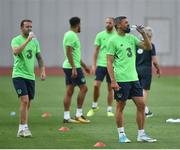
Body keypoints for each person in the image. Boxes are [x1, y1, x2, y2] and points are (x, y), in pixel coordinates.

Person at [107, 16, 157, 143]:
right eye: (126, 23)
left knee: (141, 105)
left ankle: (141, 134)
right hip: (121, 79)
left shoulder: (131, 38)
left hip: (134, 78)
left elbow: (148, 47)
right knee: (121, 106)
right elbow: (109, 62)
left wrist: (143, 33)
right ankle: (122, 135)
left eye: (128, 23)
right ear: (118, 25)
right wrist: (113, 80)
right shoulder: (112, 41)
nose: (128, 25)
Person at [11, 19, 46, 137]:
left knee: (28, 103)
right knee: (24, 100)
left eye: (31, 26)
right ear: (21, 28)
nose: (29, 28)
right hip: (18, 75)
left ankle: (23, 127)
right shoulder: (16, 40)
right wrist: (28, 40)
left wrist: (42, 71)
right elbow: (16, 51)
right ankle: (22, 129)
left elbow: (39, 57)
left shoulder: (35, 42)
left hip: (30, 76)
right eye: (27, 26)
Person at [62, 17, 91, 123]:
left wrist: (84, 66)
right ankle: (79, 114)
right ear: (78, 24)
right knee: (84, 88)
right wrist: (74, 67)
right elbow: (68, 52)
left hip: (71, 66)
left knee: (70, 90)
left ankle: (66, 117)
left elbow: (75, 55)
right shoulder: (71, 35)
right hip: (72, 67)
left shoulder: (70, 35)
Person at [86, 17, 115, 117]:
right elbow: (96, 51)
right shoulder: (100, 35)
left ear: (113, 24)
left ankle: (109, 110)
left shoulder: (116, 35)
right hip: (101, 65)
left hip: (112, 65)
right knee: (95, 85)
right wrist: (94, 65)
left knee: (110, 88)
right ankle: (94, 106)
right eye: (106, 22)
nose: (107, 24)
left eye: (110, 23)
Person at [136, 26, 161, 118]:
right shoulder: (151, 45)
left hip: (135, 70)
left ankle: (145, 109)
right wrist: (158, 69)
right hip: (146, 71)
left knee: (137, 92)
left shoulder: (137, 44)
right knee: (144, 91)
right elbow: (154, 61)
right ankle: (143, 111)